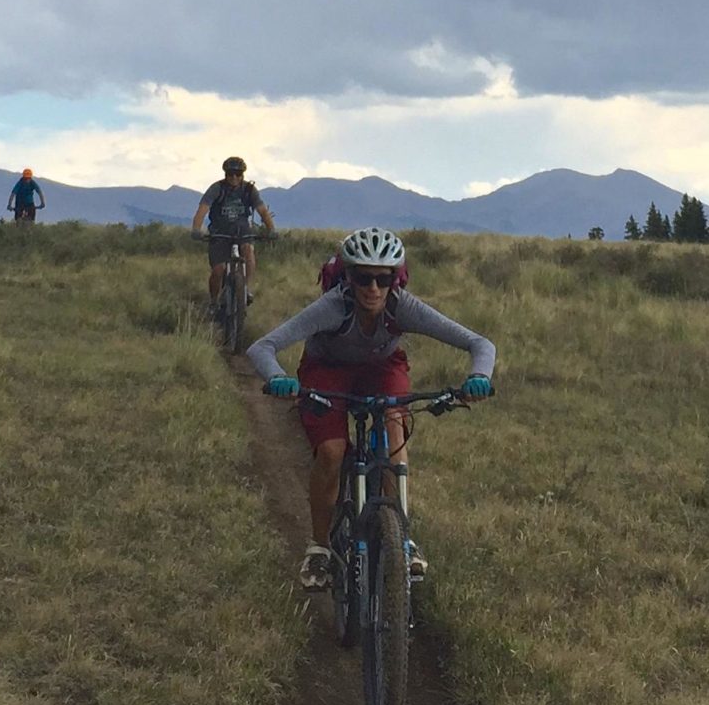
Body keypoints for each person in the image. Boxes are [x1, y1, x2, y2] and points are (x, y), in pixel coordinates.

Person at [247, 227, 496, 590]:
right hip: (327, 370)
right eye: (363, 277)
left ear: (397, 279)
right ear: (348, 276)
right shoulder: (333, 306)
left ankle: (402, 537)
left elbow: (479, 343)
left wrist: (479, 377)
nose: (373, 288)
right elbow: (262, 347)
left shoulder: (402, 306)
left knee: (394, 436)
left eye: (384, 278)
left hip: (382, 368)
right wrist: (278, 378)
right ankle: (319, 547)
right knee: (332, 452)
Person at [190, 155, 278, 317]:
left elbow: (262, 211)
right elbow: (202, 209)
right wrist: (196, 229)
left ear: (243, 175)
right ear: (225, 174)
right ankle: (214, 302)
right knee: (218, 270)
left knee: (248, 251)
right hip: (220, 232)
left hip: (242, 231)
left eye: (238, 174)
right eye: (230, 174)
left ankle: (245, 289)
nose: (234, 178)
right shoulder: (216, 189)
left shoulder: (249, 190)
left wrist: (271, 229)